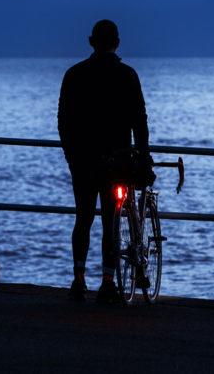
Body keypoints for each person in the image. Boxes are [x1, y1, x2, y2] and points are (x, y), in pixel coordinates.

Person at [58, 19, 150, 303]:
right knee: (112, 218)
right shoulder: (128, 75)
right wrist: (144, 154)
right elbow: (139, 120)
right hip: (118, 160)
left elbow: (64, 122)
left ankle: (78, 279)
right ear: (118, 44)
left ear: (90, 41)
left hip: (84, 161)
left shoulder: (74, 75)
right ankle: (108, 281)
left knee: (83, 218)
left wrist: (72, 156)